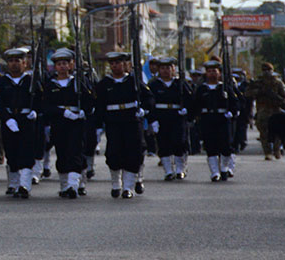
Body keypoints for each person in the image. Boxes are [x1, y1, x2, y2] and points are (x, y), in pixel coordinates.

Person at [94, 52, 153, 199]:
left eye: (118, 63)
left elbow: (149, 97)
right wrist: (98, 124)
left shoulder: (133, 81)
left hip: (131, 120)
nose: (115, 66)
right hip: (113, 121)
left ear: (124, 64)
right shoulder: (104, 84)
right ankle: (116, 183)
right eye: (112, 63)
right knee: (114, 153)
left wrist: (143, 109)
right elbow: (99, 104)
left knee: (133, 152)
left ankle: (128, 187)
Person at [41, 48, 91, 198]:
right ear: (55, 67)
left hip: (76, 122)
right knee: (62, 152)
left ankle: (73, 186)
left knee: (75, 151)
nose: (62, 66)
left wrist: (84, 111)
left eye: (65, 63)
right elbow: (46, 106)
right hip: (59, 122)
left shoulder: (78, 82)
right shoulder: (50, 84)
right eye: (59, 64)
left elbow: (89, 99)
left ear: (70, 65)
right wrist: (62, 112)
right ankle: (64, 185)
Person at [0, 48, 41, 198]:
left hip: (26, 119)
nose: (14, 64)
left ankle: (25, 185)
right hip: (9, 120)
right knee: (11, 151)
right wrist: (7, 119)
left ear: (24, 63)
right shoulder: (2, 82)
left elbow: (41, 99)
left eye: (18, 61)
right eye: (11, 61)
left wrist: (35, 111)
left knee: (27, 152)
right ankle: (13, 184)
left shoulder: (31, 81)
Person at [190, 60, 237, 181]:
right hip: (207, 118)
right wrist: (193, 116)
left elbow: (235, 102)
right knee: (210, 145)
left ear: (219, 73)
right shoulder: (202, 89)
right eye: (209, 71)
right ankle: (214, 171)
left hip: (222, 118)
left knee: (226, 145)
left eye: (214, 71)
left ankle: (224, 168)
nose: (212, 74)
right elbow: (195, 104)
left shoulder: (225, 87)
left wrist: (232, 112)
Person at [147, 56, 192, 180]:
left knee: (179, 142)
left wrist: (187, 110)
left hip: (177, 116)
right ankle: (168, 170)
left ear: (173, 69)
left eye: (168, 68)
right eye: (162, 68)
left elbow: (190, 99)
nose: (165, 70)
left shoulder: (180, 83)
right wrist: (152, 120)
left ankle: (180, 169)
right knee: (163, 143)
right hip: (161, 116)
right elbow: (149, 103)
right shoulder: (154, 85)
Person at [246, 62, 285, 159]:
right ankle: (267, 152)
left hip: (276, 110)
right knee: (263, 133)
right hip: (263, 110)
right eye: (264, 70)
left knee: (278, 132)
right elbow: (247, 93)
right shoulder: (258, 83)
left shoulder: (278, 83)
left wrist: (279, 100)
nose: (266, 72)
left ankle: (277, 150)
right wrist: (259, 92)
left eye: (268, 70)